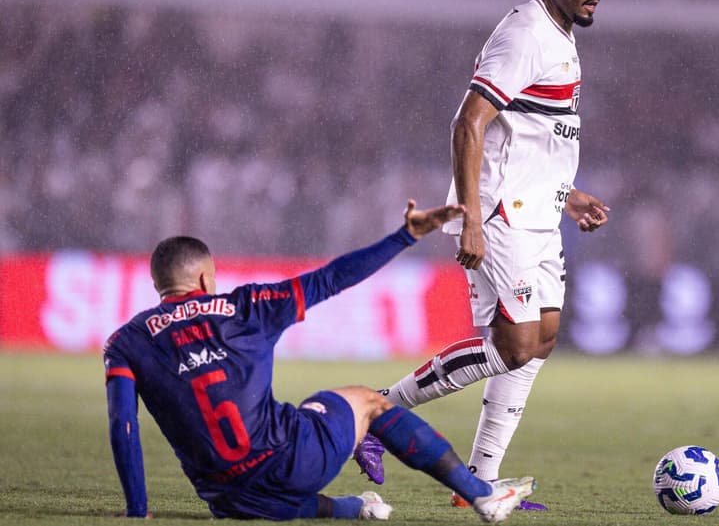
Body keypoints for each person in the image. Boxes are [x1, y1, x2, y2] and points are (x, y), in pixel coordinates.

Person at [354, 0, 610, 511]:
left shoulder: (560, 36)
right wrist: (469, 217)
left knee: (539, 341)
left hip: (539, 212)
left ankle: (479, 485)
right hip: (499, 214)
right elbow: (468, 124)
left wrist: (567, 194)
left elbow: (530, 137)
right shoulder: (524, 34)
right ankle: (374, 409)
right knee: (514, 344)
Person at [104, 199, 536, 522]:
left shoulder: (127, 342)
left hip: (226, 497)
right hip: (290, 463)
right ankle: (481, 495)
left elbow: (124, 426)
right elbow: (333, 278)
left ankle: (355, 509)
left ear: (159, 283)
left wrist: (137, 511)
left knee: (262, 488)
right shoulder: (245, 307)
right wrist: (406, 235)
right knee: (366, 401)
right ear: (204, 277)